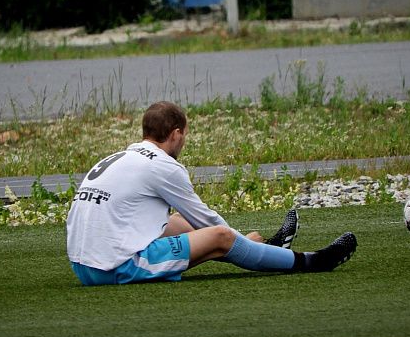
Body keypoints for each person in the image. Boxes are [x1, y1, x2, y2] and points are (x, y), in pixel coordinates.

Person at [66, 101, 357, 285]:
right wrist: (241, 240)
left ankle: (266, 249)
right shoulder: (163, 165)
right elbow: (207, 221)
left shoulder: (120, 157)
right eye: (185, 137)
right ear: (177, 134)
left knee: (178, 222)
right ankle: (312, 261)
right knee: (222, 237)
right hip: (113, 267)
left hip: (82, 264)